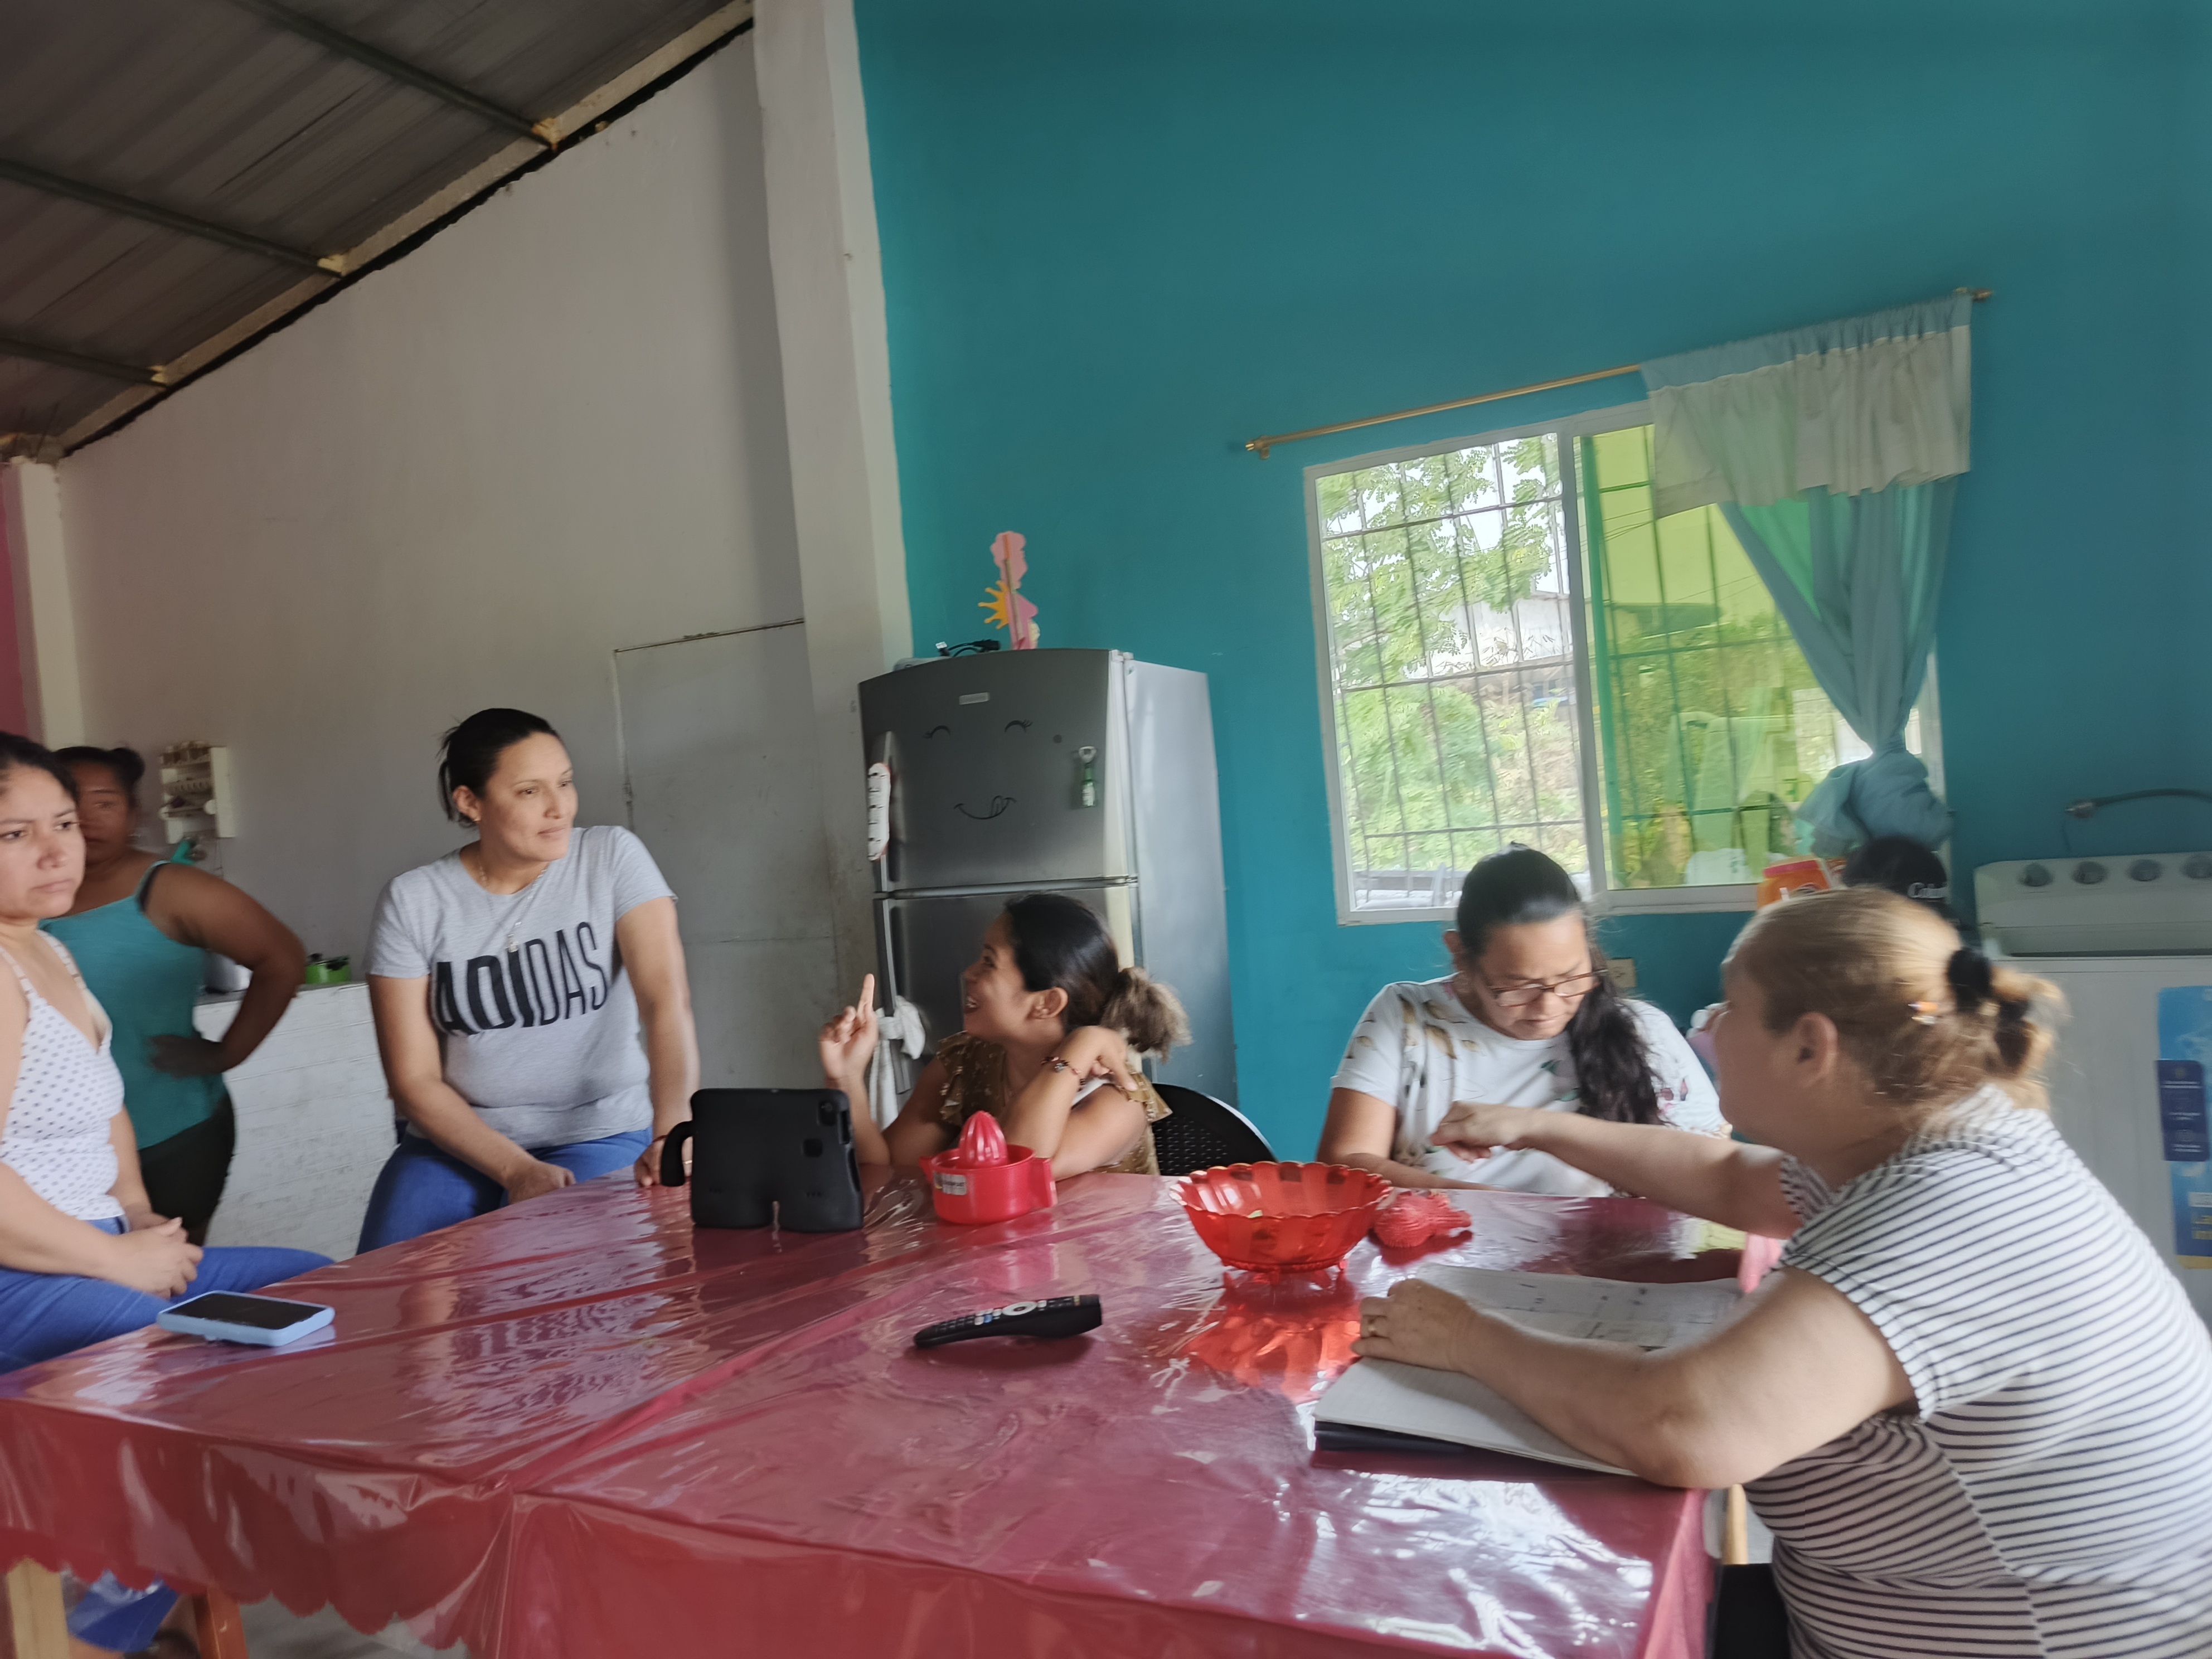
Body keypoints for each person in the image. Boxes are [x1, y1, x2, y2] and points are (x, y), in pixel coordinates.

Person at [1355, 887, 2212, 1659]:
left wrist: (1469, 1338)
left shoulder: (1942, 1214)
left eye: (1730, 1007)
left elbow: (1683, 1426)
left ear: (1811, 1047)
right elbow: (1731, 1179)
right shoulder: (1931, 1134)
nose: (1709, 1028)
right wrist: (1534, 1126)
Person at [0, 734, 327, 1656]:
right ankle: (85, 1633)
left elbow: (106, 1110)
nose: (56, 851)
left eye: (64, 824)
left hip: (95, 1243)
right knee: (178, 1359)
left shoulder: (48, 953)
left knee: (319, 1292)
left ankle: (148, 1592)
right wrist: (116, 1258)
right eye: (15, 834)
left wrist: (140, 1214)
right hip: (22, 1276)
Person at [357, 710, 698, 1252]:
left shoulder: (611, 857)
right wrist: (516, 1170)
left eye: (565, 782)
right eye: (529, 791)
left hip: (600, 1132)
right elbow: (412, 1081)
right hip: (455, 1145)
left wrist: (672, 1133)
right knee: (393, 1283)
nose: (559, 807)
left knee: (551, 1280)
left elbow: (665, 1002)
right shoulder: (414, 902)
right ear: (470, 802)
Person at [1318, 846, 1723, 1191]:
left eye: (1571, 978)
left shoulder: (1643, 1031)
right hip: (1450, 1252)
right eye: (1518, 988)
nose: (1549, 1007)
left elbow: (1713, 1172)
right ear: (1461, 956)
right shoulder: (1407, 1017)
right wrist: (1493, 1211)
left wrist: (1533, 1129)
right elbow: (1344, 1164)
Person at [44, 746, 307, 1244]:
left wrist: (226, 1053)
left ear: (134, 814)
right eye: (71, 805)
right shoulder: (23, 893)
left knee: (173, 1275)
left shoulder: (172, 890)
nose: (87, 818)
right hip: (52, 1146)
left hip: (168, 1131)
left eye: (105, 803)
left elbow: (283, 959)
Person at [819, 892, 1184, 1176]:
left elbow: (1018, 1169)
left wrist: (1082, 1045)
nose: (969, 973)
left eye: (989, 962)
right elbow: (887, 1174)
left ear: (1046, 1003)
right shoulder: (966, 1062)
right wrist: (846, 1078)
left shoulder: (1119, 1098)